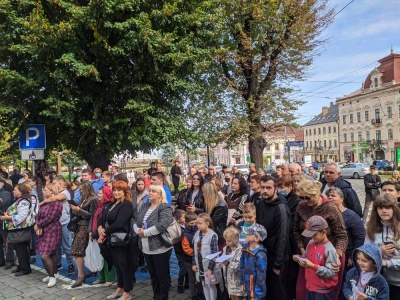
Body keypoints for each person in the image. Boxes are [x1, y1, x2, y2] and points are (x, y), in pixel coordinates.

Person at [293, 180, 348, 300]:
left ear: (316, 193)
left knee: (325, 291)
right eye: (302, 197)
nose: (305, 201)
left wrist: (337, 255)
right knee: (303, 290)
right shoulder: (301, 205)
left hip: (329, 256)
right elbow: (296, 230)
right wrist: (302, 250)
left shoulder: (330, 207)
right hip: (309, 255)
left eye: (308, 197)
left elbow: (342, 236)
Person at [135, 184, 173, 300]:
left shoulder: (164, 207)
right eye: (150, 191)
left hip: (160, 247)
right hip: (146, 247)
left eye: (154, 191)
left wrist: (144, 233)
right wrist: (138, 231)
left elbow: (162, 225)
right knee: (153, 275)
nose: (150, 193)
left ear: (160, 194)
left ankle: (163, 297)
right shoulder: (145, 205)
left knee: (162, 275)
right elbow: (136, 221)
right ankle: (156, 296)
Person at [254, 175, 290, 300]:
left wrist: (278, 263)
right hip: (263, 253)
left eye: (268, 188)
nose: (264, 191)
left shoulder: (281, 208)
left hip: (277, 256)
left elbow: (283, 237)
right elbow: (258, 229)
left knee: (278, 292)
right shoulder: (260, 203)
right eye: (262, 187)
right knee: (266, 289)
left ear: (275, 189)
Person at [97, 181, 134, 300]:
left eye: (119, 190)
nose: (116, 192)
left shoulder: (126, 204)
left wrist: (104, 231)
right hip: (112, 239)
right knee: (118, 265)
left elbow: (119, 223)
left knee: (125, 266)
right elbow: (102, 217)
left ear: (125, 191)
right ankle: (120, 287)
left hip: (121, 240)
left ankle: (127, 292)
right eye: (115, 190)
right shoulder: (112, 203)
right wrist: (100, 228)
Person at [293, 216, 338, 300]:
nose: (312, 237)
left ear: (324, 232)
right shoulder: (311, 243)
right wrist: (299, 258)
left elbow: (331, 272)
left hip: (322, 291)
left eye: (314, 234)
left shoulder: (329, 249)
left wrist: (314, 266)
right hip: (310, 287)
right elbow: (307, 258)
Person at [364, 194, 400, 299]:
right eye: (380, 208)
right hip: (380, 280)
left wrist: (387, 262)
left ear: (394, 209)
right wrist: (378, 251)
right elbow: (364, 252)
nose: (384, 211)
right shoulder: (371, 229)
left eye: (388, 207)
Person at [326, 187, 365, 273]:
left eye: (333, 195)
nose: (330, 197)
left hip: (346, 256)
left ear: (342, 199)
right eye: (328, 196)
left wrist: (353, 256)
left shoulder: (351, 216)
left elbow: (360, 237)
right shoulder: (325, 215)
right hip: (328, 255)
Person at [69, 181, 98, 288]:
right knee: (80, 250)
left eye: (82, 190)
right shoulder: (83, 199)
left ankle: (81, 275)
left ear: (87, 189)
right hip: (79, 226)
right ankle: (87, 271)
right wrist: (75, 210)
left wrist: (79, 210)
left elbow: (93, 215)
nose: (80, 192)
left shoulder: (93, 199)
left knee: (77, 250)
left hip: (85, 228)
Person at [1, 184, 33, 276]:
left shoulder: (24, 201)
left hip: (21, 229)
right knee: (18, 248)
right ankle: (21, 266)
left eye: (15, 190)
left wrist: (7, 217)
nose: (13, 191)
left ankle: (25, 268)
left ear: (21, 191)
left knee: (22, 249)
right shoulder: (19, 200)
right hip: (17, 228)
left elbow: (21, 217)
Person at [34, 183, 63, 287]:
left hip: (53, 230)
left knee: (45, 255)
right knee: (51, 253)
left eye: (46, 190)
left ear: (52, 191)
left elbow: (51, 217)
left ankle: (52, 277)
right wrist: (38, 223)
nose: (44, 191)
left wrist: (38, 224)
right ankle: (53, 274)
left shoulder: (57, 203)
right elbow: (38, 215)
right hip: (44, 230)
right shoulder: (45, 202)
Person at [277, 176, 301, 300]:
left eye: (282, 187)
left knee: (292, 273)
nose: (279, 190)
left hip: (292, 242)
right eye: (278, 187)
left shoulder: (295, 201)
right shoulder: (280, 199)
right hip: (283, 241)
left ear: (290, 187)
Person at [48, 176, 75, 274]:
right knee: (56, 245)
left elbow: (56, 198)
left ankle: (71, 264)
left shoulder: (65, 193)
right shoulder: (57, 193)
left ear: (59, 184)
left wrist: (45, 200)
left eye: (54, 183)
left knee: (66, 246)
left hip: (64, 222)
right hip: (55, 223)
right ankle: (58, 263)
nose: (53, 185)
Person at [192, 213, 221, 300]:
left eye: (200, 223)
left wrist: (210, 269)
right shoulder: (197, 233)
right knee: (204, 284)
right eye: (197, 223)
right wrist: (194, 263)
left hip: (209, 266)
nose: (197, 225)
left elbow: (214, 254)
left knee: (211, 285)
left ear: (207, 223)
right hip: (200, 264)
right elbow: (195, 251)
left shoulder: (212, 236)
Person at [91, 187, 116, 287]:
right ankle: (102, 277)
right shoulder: (100, 205)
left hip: (105, 235)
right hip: (97, 234)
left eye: (101, 193)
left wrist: (100, 233)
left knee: (107, 257)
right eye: (98, 193)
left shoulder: (110, 205)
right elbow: (94, 219)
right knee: (100, 256)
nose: (99, 195)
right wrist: (92, 232)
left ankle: (110, 278)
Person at [240, 223, 268, 300]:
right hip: (246, 287)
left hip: (256, 291)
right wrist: (242, 283)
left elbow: (261, 275)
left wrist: (258, 293)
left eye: (249, 233)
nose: (246, 234)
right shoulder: (245, 248)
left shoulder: (260, 254)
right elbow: (241, 266)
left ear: (256, 238)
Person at [221, 227, 245, 300]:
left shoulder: (240, 250)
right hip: (228, 280)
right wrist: (219, 261)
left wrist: (228, 263)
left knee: (238, 297)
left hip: (237, 281)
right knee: (232, 297)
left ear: (235, 240)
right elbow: (222, 259)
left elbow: (238, 265)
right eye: (226, 240)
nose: (227, 243)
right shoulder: (226, 248)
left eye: (229, 241)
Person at [202, 182, 228, 250]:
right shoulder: (209, 202)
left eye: (204, 192)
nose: (203, 194)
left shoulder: (220, 205)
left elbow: (212, 223)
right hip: (211, 234)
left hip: (218, 236)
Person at [182, 212, 199, 299]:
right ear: (186, 223)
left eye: (195, 223)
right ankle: (193, 295)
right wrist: (196, 252)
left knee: (198, 279)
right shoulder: (185, 235)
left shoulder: (197, 230)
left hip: (197, 258)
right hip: (189, 260)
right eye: (191, 223)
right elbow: (186, 249)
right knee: (192, 279)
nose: (194, 225)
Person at [173, 209, 187, 293]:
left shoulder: (185, 226)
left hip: (185, 251)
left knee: (187, 268)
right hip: (180, 251)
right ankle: (180, 285)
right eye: (184, 217)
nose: (185, 219)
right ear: (178, 219)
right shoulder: (177, 228)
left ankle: (187, 284)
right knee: (183, 268)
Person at [0, 178, 13, 268]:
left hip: (3, 221)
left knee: (7, 241)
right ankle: (1, 260)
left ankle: (9, 260)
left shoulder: (6, 193)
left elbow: (3, 204)